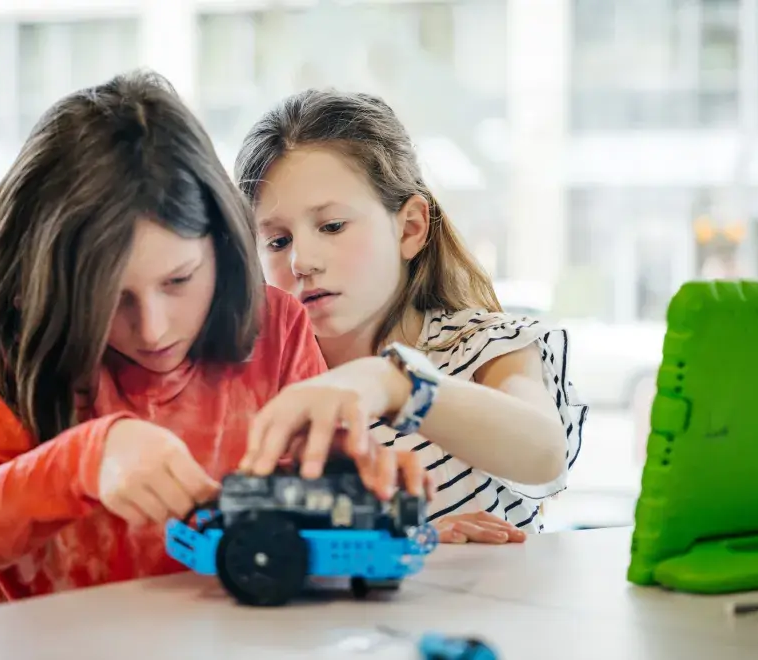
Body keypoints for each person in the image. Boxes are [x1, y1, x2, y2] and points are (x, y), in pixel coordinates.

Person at [0, 71, 429, 604]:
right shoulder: (31, 337)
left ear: (223, 244)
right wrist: (84, 460)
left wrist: (354, 475)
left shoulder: (278, 328)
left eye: (178, 281)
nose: (152, 328)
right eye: (112, 299)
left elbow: (306, 494)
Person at [234, 89, 588, 543]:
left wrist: (396, 383)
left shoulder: (484, 347)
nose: (302, 260)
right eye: (278, 241)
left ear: (411, 227)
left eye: (332, 226)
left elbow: (543, 452)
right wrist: (407, 538)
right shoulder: (255, 380)